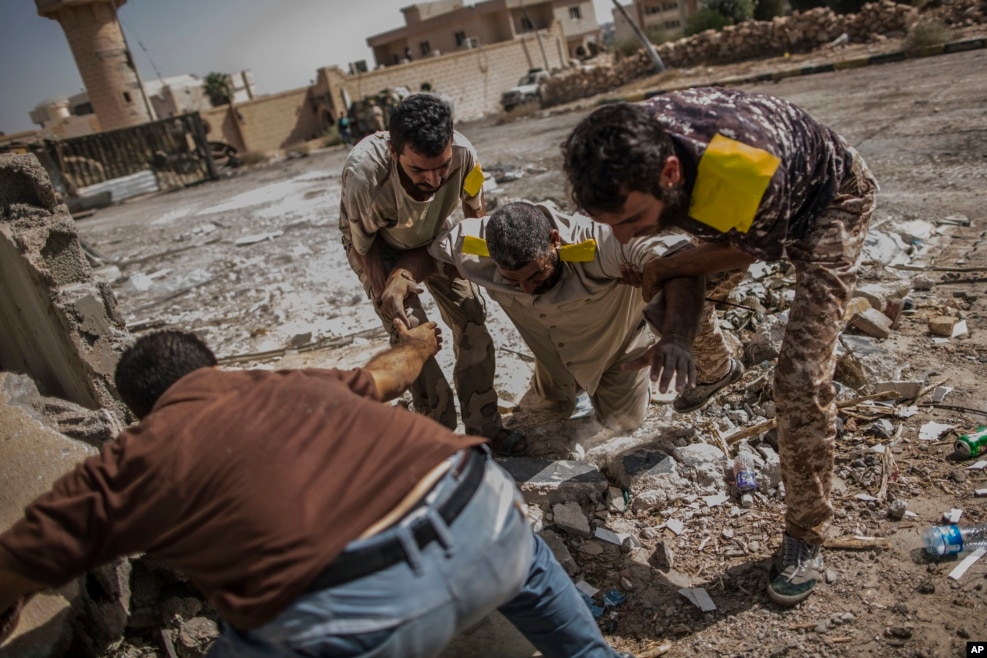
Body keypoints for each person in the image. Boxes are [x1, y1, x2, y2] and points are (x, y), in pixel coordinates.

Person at [0, 327, 634, 658]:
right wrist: (415, 344)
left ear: (139, 410)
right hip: (486, 515)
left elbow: (25, 554)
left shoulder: (135, 458)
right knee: (538, 580)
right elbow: (386, 375)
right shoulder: (285, 383)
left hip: (360, 609)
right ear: (214, 367)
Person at [562, 88, 879, 606]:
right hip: (749, 209)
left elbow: (744, 252)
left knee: (800, 377)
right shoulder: (626, 150)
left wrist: (665, 265)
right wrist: (673, 313)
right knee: (676, 291)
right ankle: (714, 373)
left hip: (828, 204)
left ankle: (806, 535)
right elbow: (690, 264)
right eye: (610, 223)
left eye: (629, 219)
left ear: (668, 173)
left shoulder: (743, 169)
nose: (621, 234)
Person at [381, 200, 738, 431]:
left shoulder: (604, 242)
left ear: (554, 240)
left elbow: (680, 264)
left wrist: (675, 337)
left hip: (618, 356)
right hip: (552, 361)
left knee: (621, 426)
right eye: (512, 281)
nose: (527, 288)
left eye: (536, 275)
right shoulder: (475, 245)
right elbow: (429, 256)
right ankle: (561, 393)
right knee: (541, 417)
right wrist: (402, 278)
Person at [339, 92, 526, 456]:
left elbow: (474, 220)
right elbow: (366, 248)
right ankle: (435, 434)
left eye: (441, 167)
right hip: (382, 250)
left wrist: (481, 271)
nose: (434, 179)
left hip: (438, 235)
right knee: (411, 335)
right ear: (394, 152)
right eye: (419, 170)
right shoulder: (365, 175)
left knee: (473, 319)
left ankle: (484, 427)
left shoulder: (466, 157)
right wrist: (390, 300)